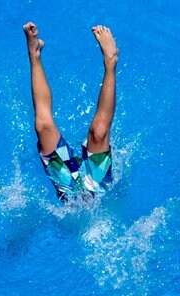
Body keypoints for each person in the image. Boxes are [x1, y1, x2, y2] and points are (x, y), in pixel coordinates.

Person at [23, 22, 119, 201]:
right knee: (99, 132)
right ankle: (111, 61)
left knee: (41, 126)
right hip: (96, 190)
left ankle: (33, 54)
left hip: (70, 191)